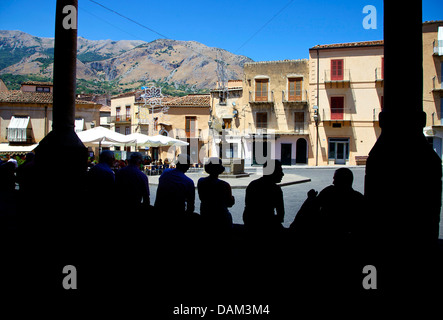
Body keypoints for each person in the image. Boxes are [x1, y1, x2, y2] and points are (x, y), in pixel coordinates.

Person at [243, 159, 285, 234]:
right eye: (280, 171)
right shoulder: (275, 190)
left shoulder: (253, 185)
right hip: (267, 227)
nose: (282, 174)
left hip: (251, 225)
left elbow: (248, 210)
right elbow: (280, 214)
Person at [198, 157, 234, 234]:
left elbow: (201, 197)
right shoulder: (225, 185)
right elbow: (230, 203)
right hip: (221, 218)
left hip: (206, 215)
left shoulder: (201, 182)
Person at [154, 154, 195, 221]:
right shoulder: (188, 182)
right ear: (187, 166)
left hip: (159, 211)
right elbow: (190, 206)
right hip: (177, 215)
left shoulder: (165, 173)